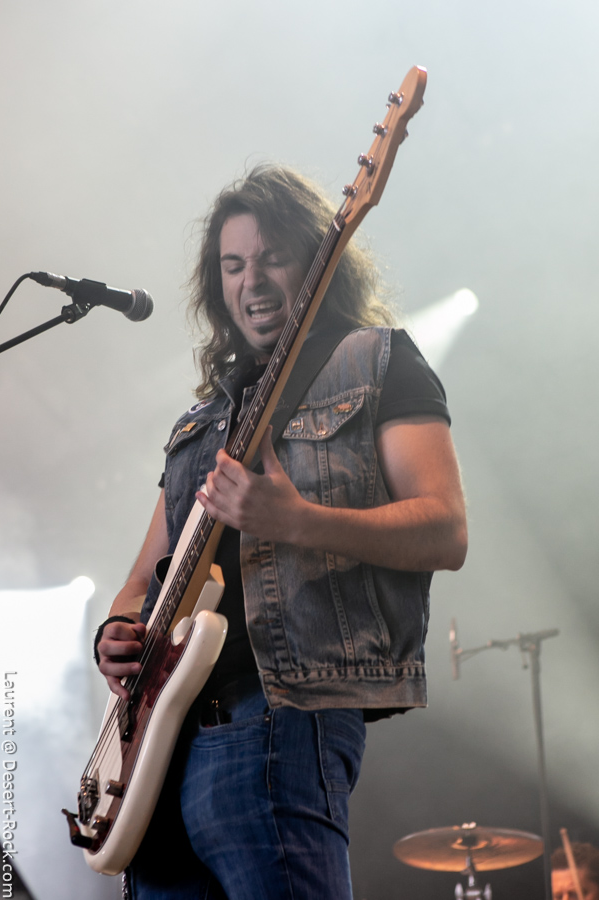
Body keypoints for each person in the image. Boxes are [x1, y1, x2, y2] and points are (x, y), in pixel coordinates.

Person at [95, 165, 468, 899]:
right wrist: (116, 629)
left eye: (272, 258)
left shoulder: (377, 360)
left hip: (276, 716)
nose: (252, 281)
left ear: (318, 261)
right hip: (156, 752)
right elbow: (144, 577)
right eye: (233, 264)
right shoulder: (201, 420)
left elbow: (445, 529)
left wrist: (296, 521)